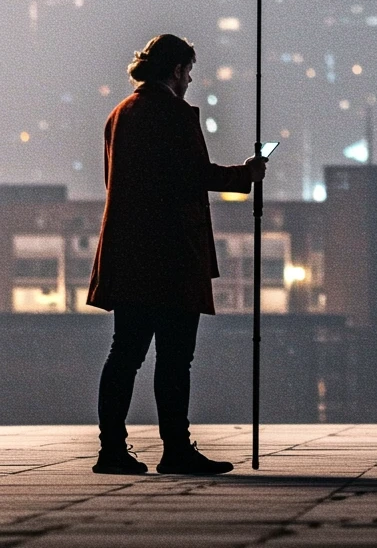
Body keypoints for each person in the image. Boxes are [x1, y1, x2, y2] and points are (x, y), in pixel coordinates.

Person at [87, 34, 268, 475]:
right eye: (188, 71)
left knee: (124, 353)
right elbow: (193, 175)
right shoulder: (172, 114)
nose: (189, 80)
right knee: (174, 358)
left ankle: (111, 449)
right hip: (169, 255)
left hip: (127, 254)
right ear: (175, 70)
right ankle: (176, 448)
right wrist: (248, 173)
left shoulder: (120, 114)